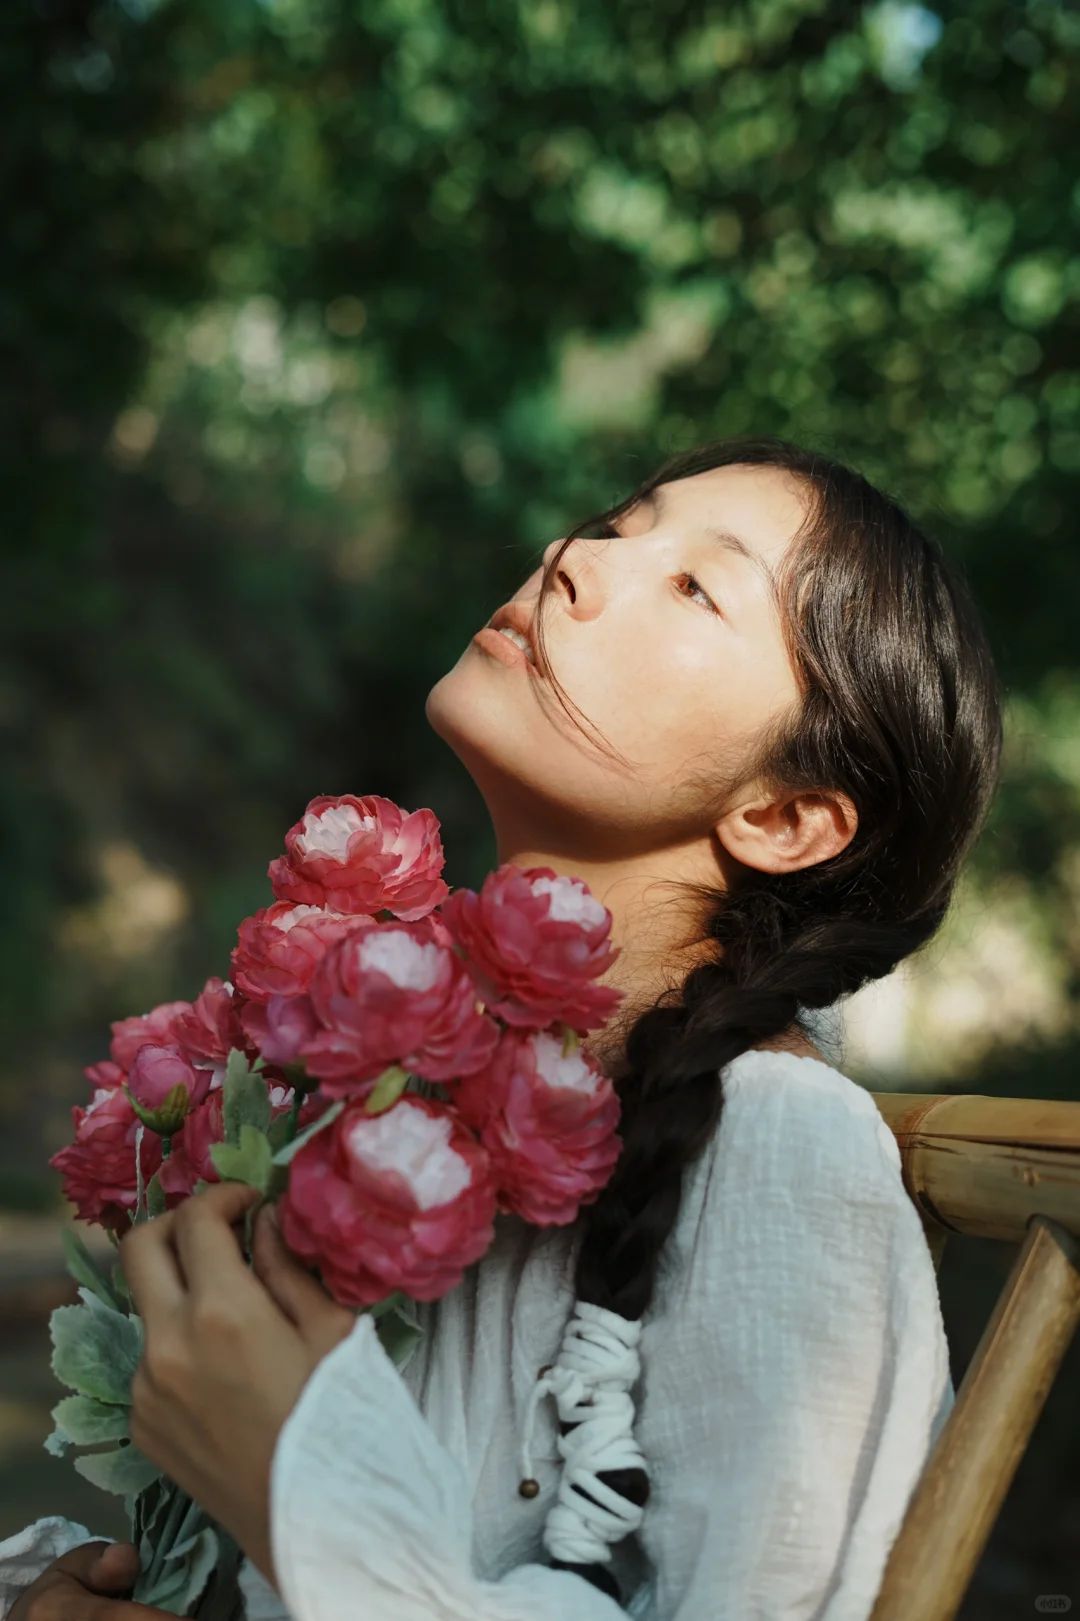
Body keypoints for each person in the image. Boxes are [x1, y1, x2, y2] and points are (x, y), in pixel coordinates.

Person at [0, 437, 1001, 1621]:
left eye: (696, 585)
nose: (573, 555)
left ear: (783, 814)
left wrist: (302, 1487)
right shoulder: (399, 1095)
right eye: (622, 525)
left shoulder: (780, 1141)